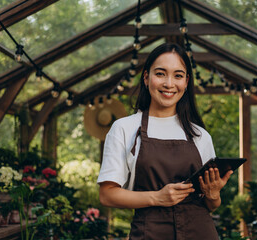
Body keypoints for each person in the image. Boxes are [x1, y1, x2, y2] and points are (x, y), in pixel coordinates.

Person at [97, 43, 233, 240]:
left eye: (178, 75)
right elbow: (107, 195)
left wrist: (213, 196)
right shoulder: (124, 128)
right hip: (149, 233)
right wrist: (157, 197)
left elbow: (211, 205)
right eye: (160, 74)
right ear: (146, 77)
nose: (169, 84)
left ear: (186, 82)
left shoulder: (200, 136)